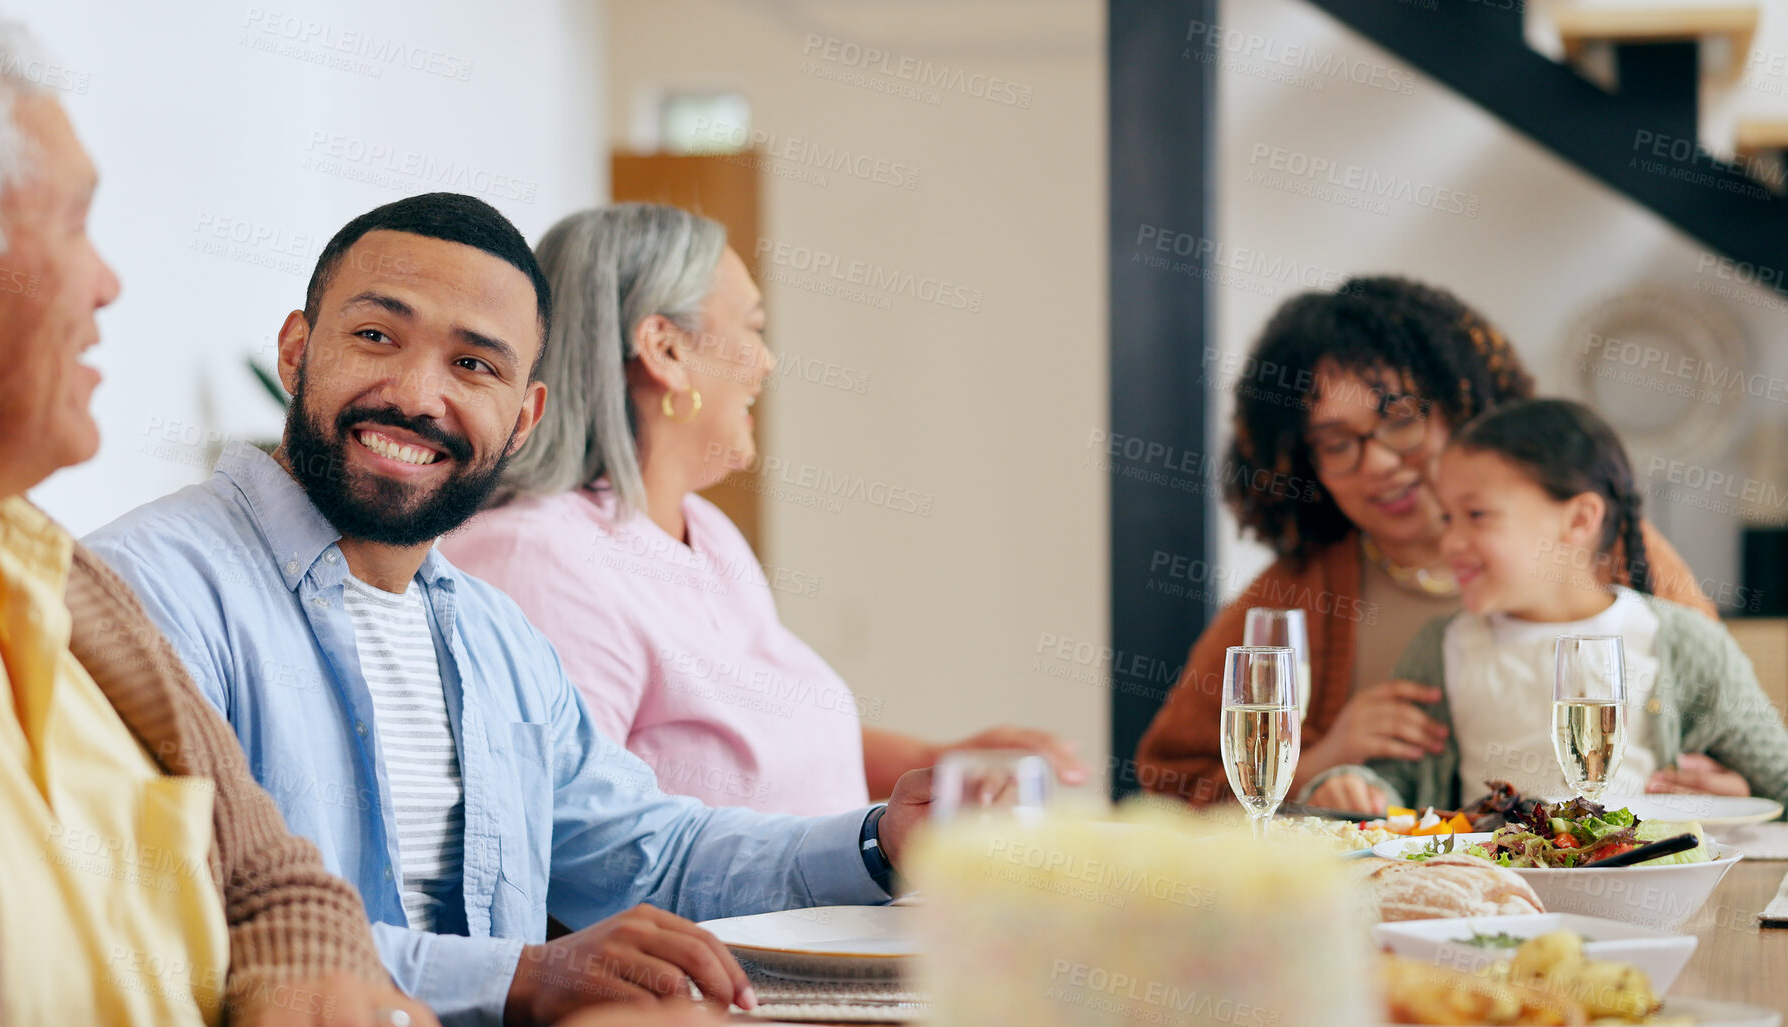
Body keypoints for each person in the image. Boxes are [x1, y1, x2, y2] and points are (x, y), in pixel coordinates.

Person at [84, 192, 936, 1025]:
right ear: (298, 351)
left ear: (522, 414)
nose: (417, 395)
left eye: (473, 365)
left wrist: (878, 840)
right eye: (376, 336)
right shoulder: (147, 588)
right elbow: (182, 924)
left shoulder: (494, 636)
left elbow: (653, 852)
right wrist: (521, 975)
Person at [0, 1, 433, 1023]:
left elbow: (279, 878)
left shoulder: (46, 566)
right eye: (74, 224)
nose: (108, 283)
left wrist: (303, 981)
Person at [438, 203, 1085, 815]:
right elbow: (568, 837)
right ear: (665, 350)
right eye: (750, 327)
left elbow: (754, 747)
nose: (766, 361)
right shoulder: (536, 558)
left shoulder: (706, 533)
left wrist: (930, 761)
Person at [1134, 278, 1717, 815]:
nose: (1380, 462)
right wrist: (1317, 760)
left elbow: (1724, 725)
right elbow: (1169, 792)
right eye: (1336, 443)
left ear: (1463, 408)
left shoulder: (1603, 549)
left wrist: (1725, 785)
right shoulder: (1295, 596)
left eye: (1401, 419)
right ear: (1303, 463)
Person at [1307, 398, 1788, 809]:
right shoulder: (1442, 647)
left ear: (1579, 520)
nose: (1450, 541)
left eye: (1476, 515)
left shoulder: (1684, 642)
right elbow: (1395, 784)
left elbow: (1778, 783)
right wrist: (1352, 786)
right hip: (1500, 900)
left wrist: (1745, 796)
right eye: (1447, 516)